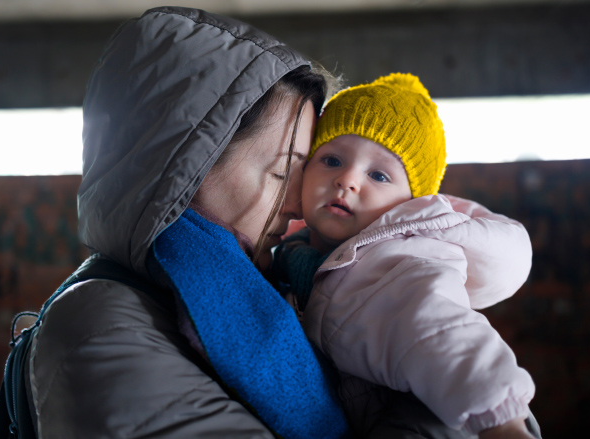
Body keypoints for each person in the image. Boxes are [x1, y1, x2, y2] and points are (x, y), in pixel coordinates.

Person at [22, 7, 350, 439]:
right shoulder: (102, 328)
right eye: (280, 173)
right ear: (189, 163)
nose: (297, 204)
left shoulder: (223, 300)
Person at [272, 73, 541, 439]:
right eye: (332, 160)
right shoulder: (293, 255)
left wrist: (505, 426)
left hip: (441, 420)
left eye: (379, 175)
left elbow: (447, 336)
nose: (347, 179)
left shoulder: (400, 264)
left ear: (410, 205)